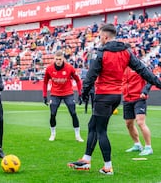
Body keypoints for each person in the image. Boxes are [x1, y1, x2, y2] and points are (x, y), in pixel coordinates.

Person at [68, 24, 161, 175]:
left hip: (103, 96)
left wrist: (83, 94)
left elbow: (91, 76)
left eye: (99, 37)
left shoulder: (102, 53)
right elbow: (143, 70)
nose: (99, 40)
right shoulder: (126, 52)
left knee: (101, 130)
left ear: (105, 37)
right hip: (117, 96)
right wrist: (158, 83)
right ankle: (86, 159)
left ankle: (107, 167)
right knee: (93, 125)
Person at [43, 50, 83, 142]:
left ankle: (77, 135)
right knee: (53, 114)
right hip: (55, 94)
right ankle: (52, 134)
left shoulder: (70, 68)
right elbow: (45, 82)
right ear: (54, 59)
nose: (58, 61)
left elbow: (78, 80)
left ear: (63, 59)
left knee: (73, 113)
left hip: (68, 93)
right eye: (56, 59)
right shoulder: (49, 69)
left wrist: (80, 94)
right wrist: (45, 95)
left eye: (60, 59)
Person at [122, 65, 153, 156]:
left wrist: (145, 91)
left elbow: (150, 79)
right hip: (127, 99)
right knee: (128, 124)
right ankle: (137, 144)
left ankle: (148, 147)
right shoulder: (121, 67)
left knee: (140, 122)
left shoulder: (139, 66)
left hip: (139, 98)